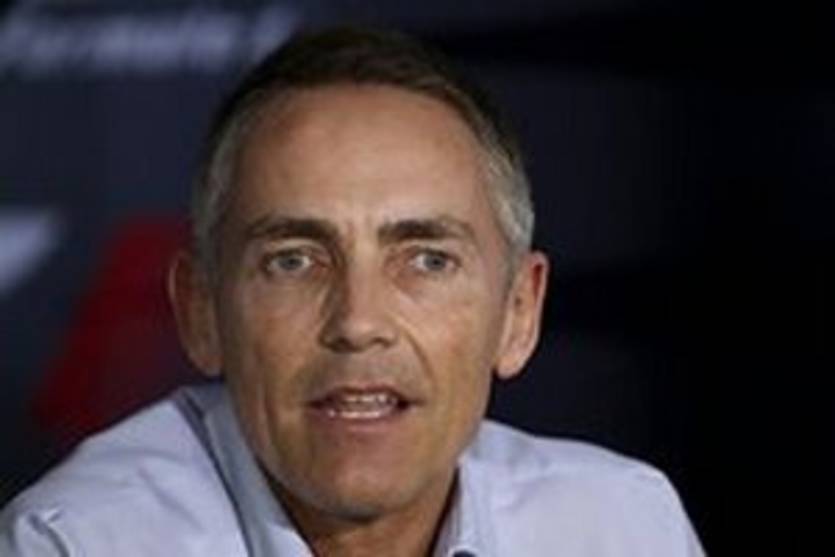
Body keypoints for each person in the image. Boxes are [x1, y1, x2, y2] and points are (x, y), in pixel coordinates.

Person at [0, 26, 705, 556]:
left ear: (518, 312)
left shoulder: (620, 526)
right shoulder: (78, 544)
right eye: (293, 261)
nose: (359, 321)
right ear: (201, 311)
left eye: (427, 260)